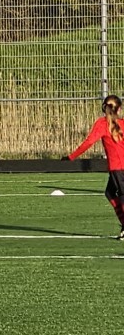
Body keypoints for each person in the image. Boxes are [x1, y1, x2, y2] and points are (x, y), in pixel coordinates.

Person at [67, 94, 124, 239]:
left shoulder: (102, 123)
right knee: (110, 193)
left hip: (118, 168)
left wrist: (72, 156)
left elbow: (88, 142)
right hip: (118, 168)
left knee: (120, 195)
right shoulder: (119, 123)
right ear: (119, 109)